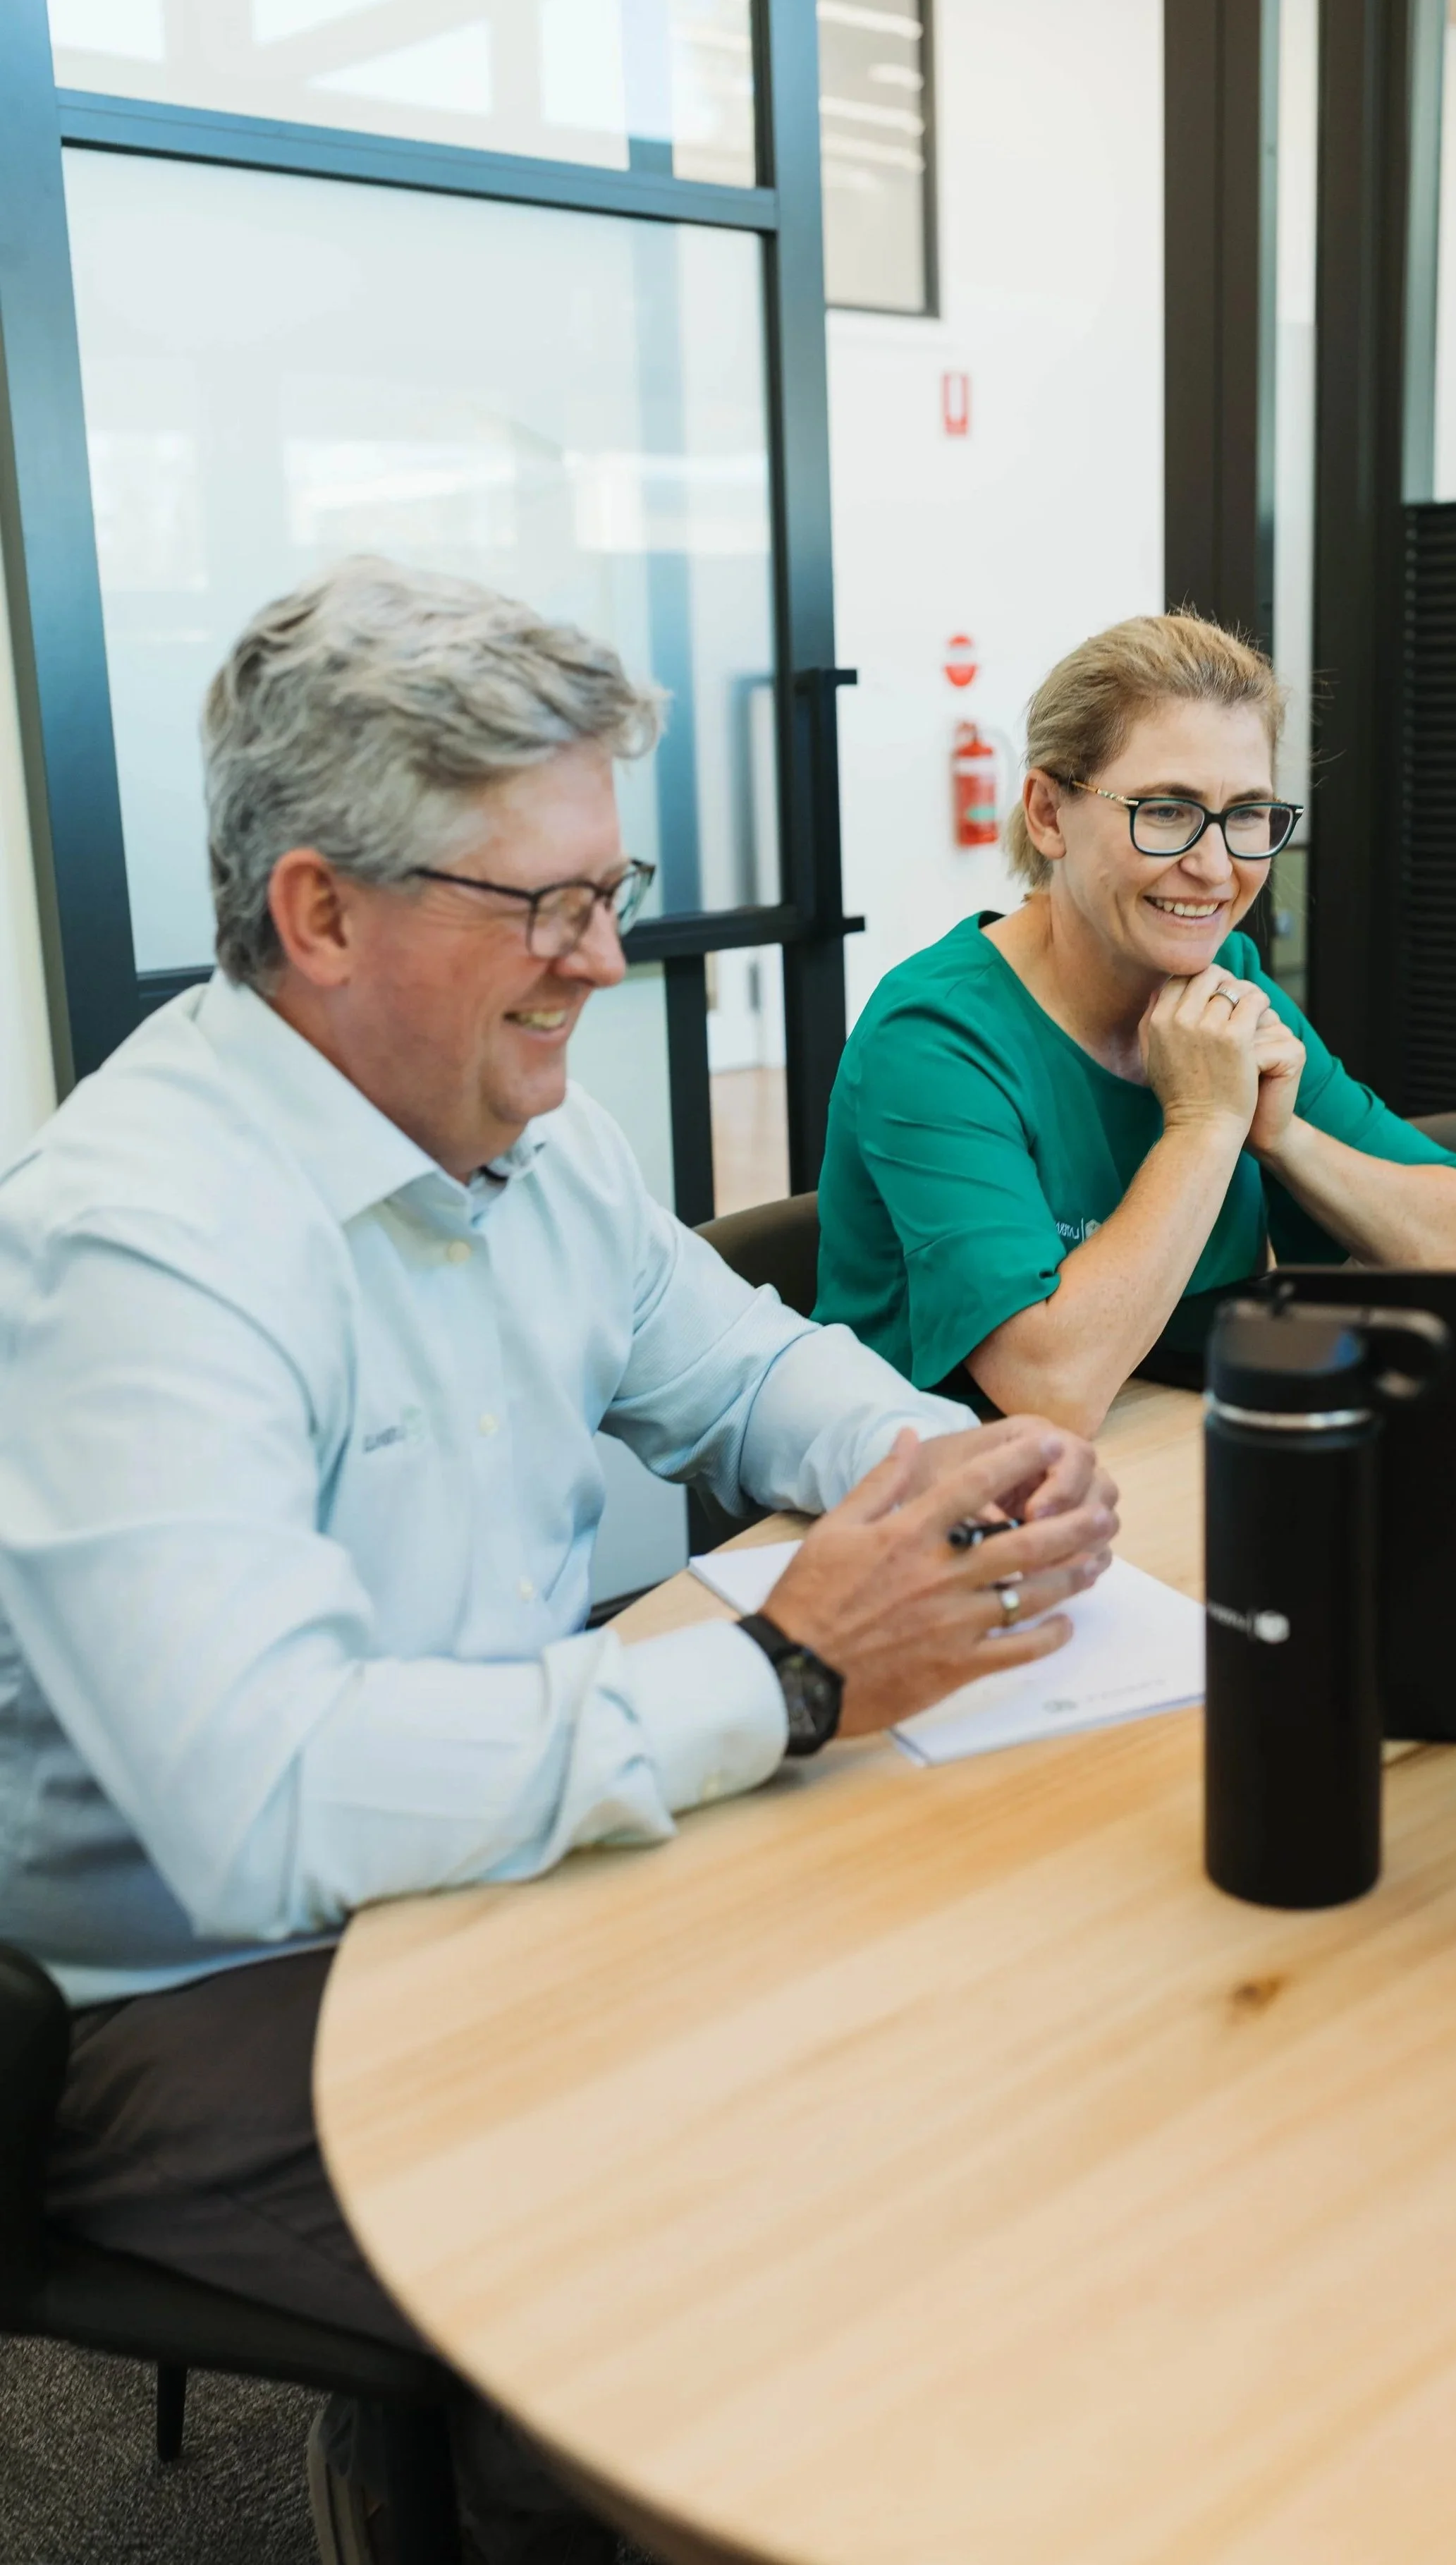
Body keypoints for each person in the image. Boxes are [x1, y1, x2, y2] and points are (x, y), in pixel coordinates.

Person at [0, 558, 1116, 2565]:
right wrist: (782, 1672)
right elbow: (265, 1802)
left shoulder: (523, 1127)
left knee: (930, 2061)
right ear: (318, 911)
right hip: (186, 1983)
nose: (604, 960)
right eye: (544, 905)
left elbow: (742, 1369)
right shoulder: (140, 1238)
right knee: (722, 2254)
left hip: (486, 1852)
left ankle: (484, 2455)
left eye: (611, 888)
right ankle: (494, 2456)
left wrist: (954, 1464)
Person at [815, 612, 1456, 1433]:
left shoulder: (1229, 984)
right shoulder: (936, 1035)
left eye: (1247, 815)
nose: (1215, 868)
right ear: (1047, 812)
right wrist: (1207, 1121)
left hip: (1166, 1438)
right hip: (948, 1488)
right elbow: (1052, 1384)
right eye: (1167, 810)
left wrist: (1286, 1138)